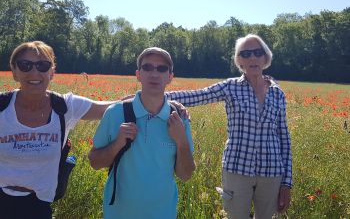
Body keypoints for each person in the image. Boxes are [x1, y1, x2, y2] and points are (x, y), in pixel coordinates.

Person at [166, 34, 292, 218]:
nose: (252, 58)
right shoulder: (230, 87)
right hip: (237, 169)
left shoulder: (277, 93)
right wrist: (150, 97)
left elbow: (284, 139)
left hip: (272, 172)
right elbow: (197, 95)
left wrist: (287, 183)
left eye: (258, 52)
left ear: (265, 57)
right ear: (239, 60)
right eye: (246, 54)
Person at [0, 41, 118, 219]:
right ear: (14, 71)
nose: (34, 72)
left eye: (42, 65)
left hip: (39, 206)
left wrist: (161, 101)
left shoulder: (65, 106)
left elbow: (109, 108)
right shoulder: (2, 106)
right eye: (25, 65)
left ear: (52, 72)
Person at [88, 47, 195, 219]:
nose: (154, 73)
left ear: (170, 77)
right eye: (147, 67)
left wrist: (181, 140)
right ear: (138, 74)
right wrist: (117, 144)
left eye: (162, 68)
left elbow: (185, 175)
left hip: (163, 214)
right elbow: (94, 162)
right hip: (119, 214)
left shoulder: (178, 119)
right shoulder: (115, 113)